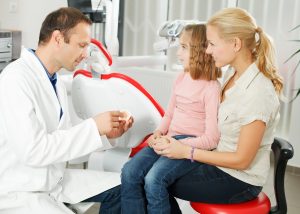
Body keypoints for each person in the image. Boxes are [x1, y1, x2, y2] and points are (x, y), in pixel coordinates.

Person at [0, 7, 133, 214]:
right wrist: (93, 127)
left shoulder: (56, 82)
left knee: (125, 185)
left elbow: (68, 148)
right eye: (81, 45)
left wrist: (105, 135)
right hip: (22, 190)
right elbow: (33, 151)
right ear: (58, 39)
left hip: (55, 180)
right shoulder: (15, 79)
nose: (85, 54)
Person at [151, 7, 283, 213]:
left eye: (212, 44)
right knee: (148, 175)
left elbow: (242, 160)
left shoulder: (257, 92)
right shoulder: (233, 72)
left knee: (155, 182)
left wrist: (187, 151)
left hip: (239, 179)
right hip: (219, 161)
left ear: (236, 44)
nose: (207, 50)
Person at [121, 24, 221, 214]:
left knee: (153, 180)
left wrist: (180, 146)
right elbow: (169, 114)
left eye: (184, 47)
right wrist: (158, 133)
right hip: (170, 139)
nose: (178, 52)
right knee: (129, 172)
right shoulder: (181, 78)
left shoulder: (211, 88)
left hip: (191, 145)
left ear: (200, 51)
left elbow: (212, 139)